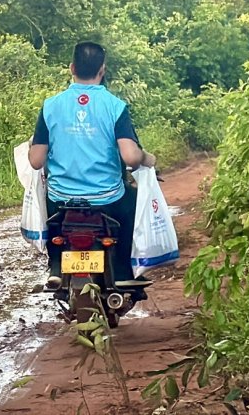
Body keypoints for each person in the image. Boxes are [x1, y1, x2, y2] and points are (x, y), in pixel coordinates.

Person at [28, 41, 156, 289]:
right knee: (132, 203)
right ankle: (121, 272)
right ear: (102, 70)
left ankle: (56, 265)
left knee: (51, 216)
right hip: (107, 199)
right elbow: (130, 157)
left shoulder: (51, 106)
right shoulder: (114, 106)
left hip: (61, 199)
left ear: (72, 68)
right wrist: (146, 158)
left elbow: (35, 161)